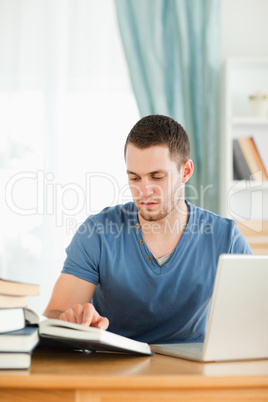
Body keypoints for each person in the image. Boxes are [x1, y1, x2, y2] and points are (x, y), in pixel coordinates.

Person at [44, 114, 252, 344]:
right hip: (114, 370)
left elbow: (255, 317)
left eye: (157, 177)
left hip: (193, 376)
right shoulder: (97, 233)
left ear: (186, 171)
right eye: (134, 178)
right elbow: (54, 315)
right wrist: (71, 321)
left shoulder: (226, 238)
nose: (144, 190)